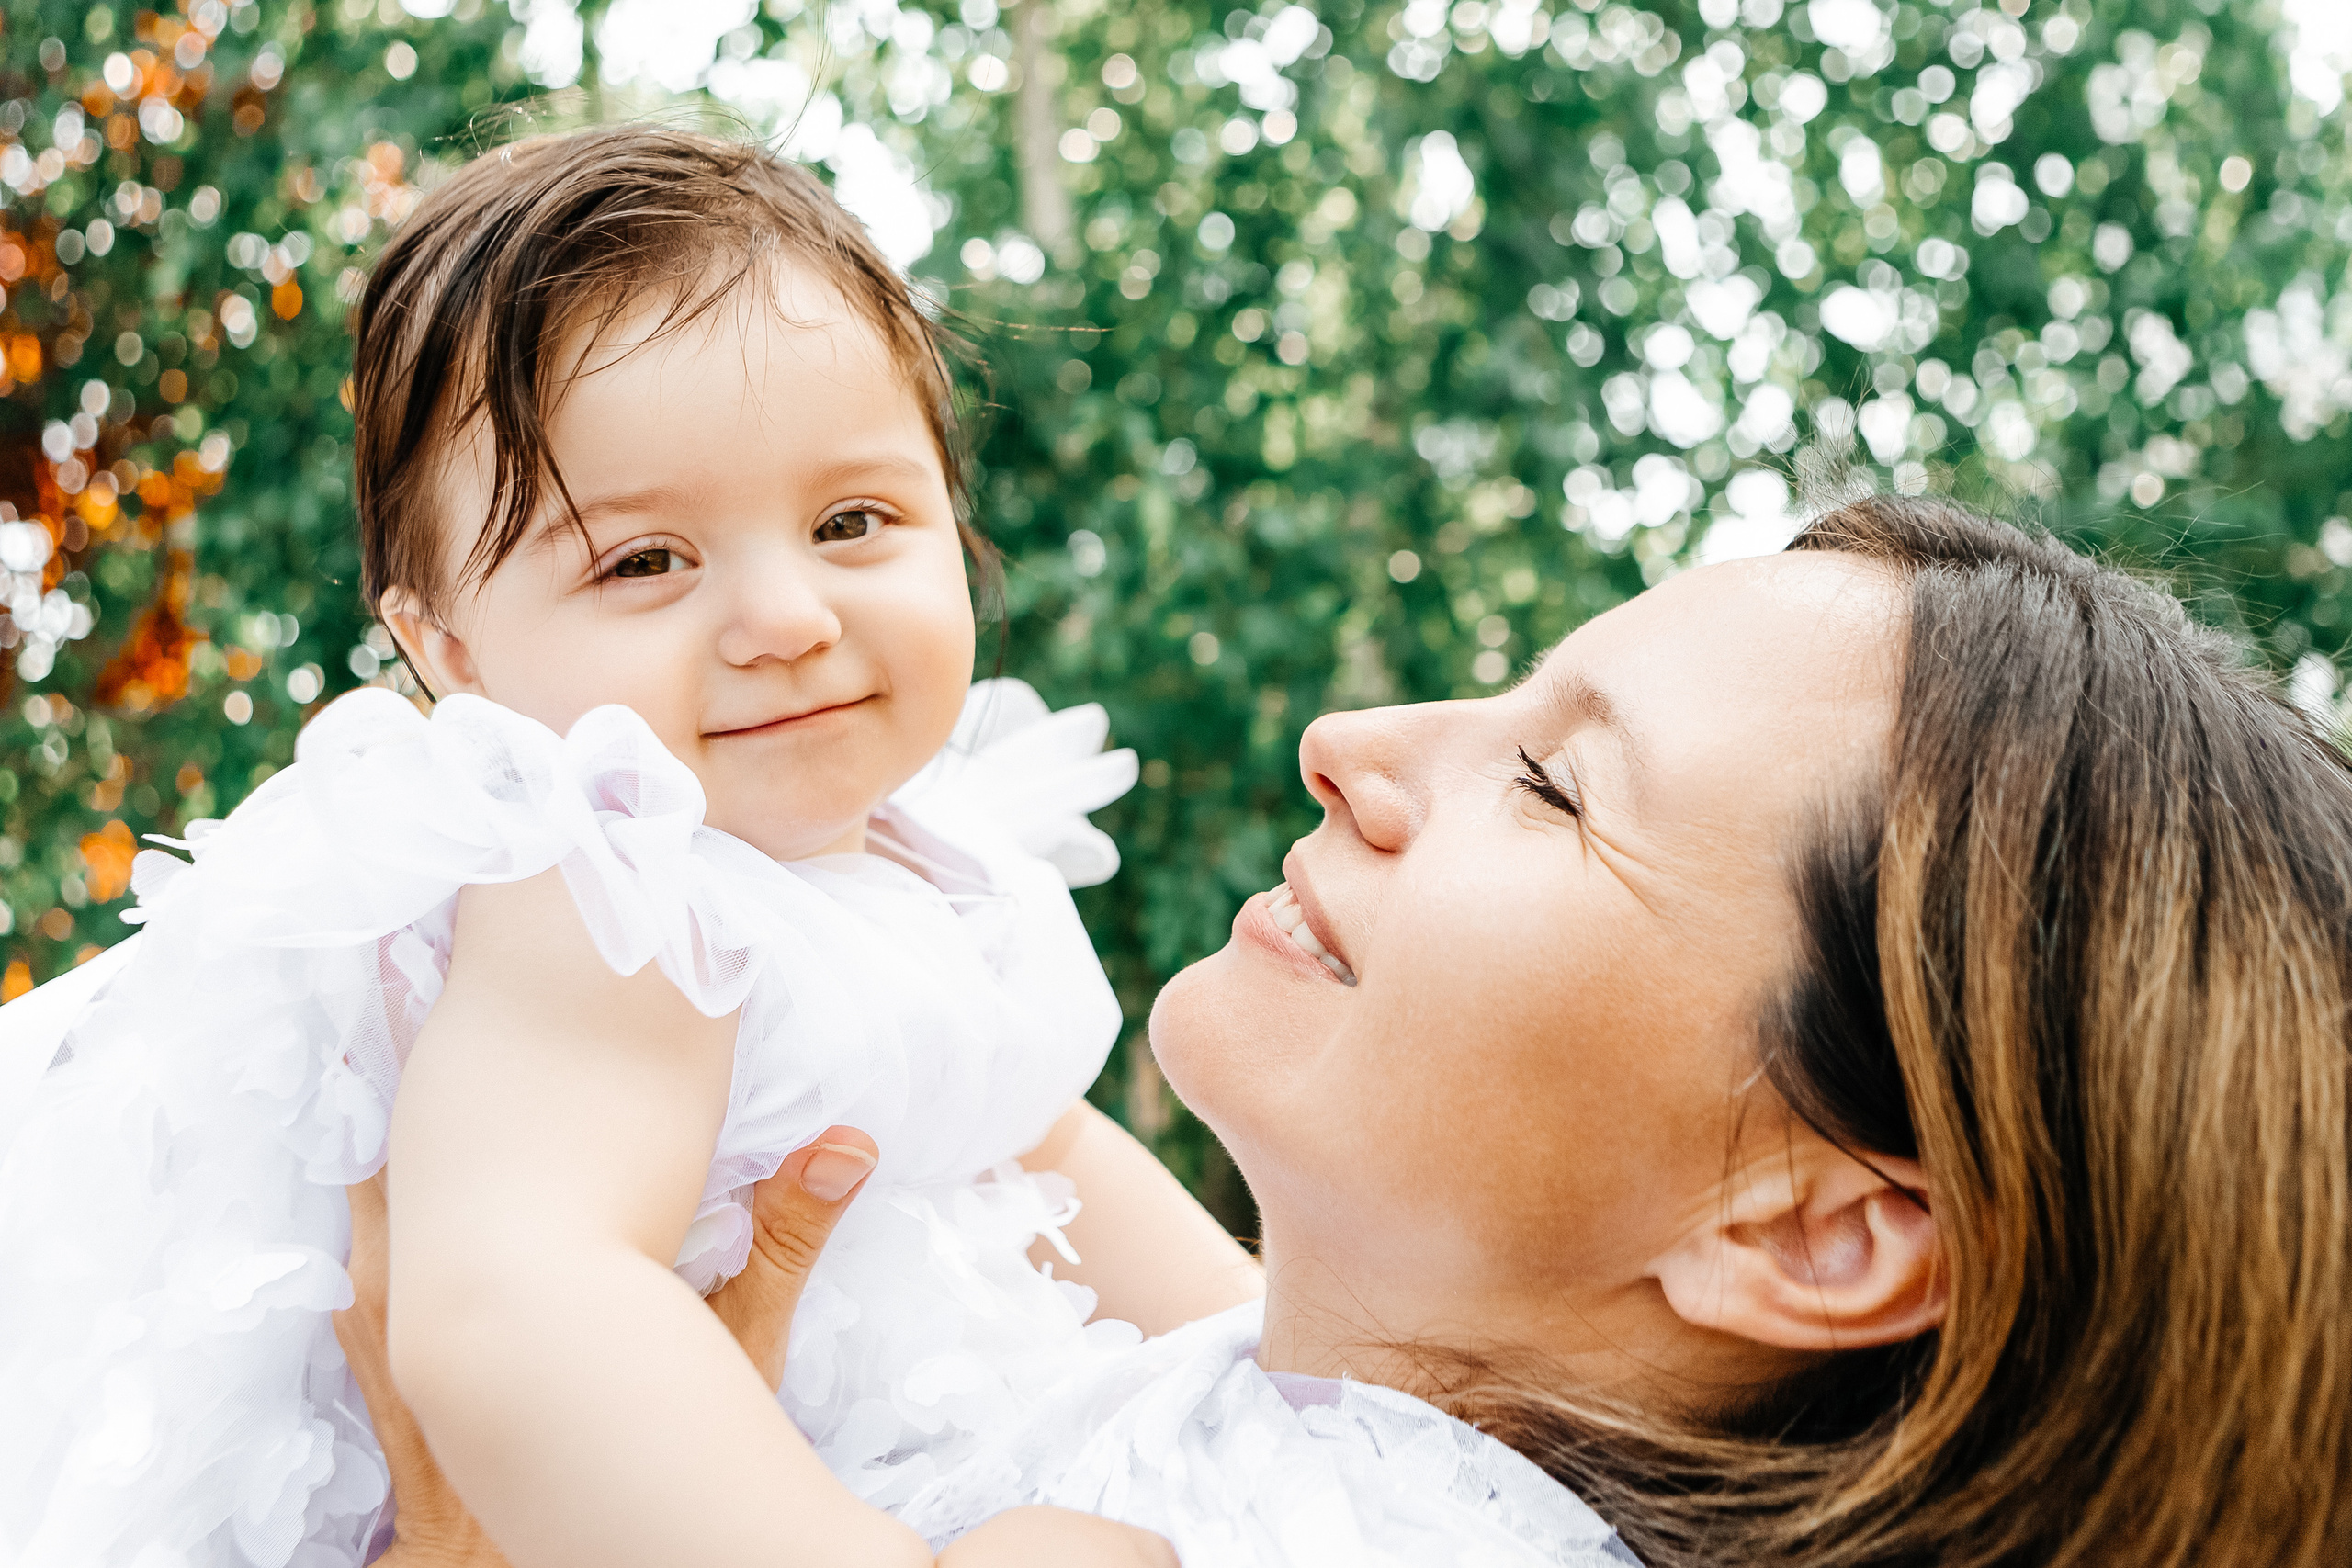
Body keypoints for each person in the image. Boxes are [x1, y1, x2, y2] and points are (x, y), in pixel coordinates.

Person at [345, 498, 2348, 1568]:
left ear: (1805, 1222)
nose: (1355, 748)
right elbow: (1015, 1126)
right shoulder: (1289, 1407)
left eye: (1554, 788)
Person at [0, 128, 1259, 1567]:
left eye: (853, 520)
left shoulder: (938, 859)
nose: (788, 616)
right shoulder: (590, 886)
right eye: (644, 562)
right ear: (451, 652)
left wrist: (1305, 1387)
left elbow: (1038, 1135)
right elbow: (514, 1303)